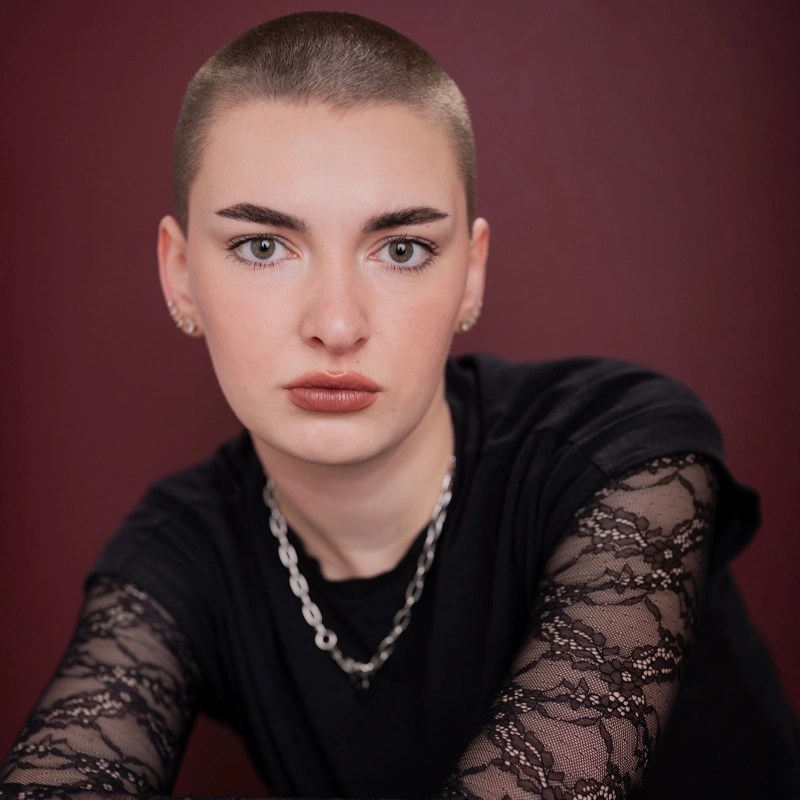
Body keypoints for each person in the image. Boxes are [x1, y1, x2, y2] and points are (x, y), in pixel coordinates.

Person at [1, 11, 797, 800]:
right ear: (180, 276)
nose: (337, 326)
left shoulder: (622, 458)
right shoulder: (179, 552)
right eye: (263, 246)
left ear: (471, 276)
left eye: (402, 249)